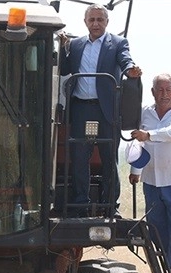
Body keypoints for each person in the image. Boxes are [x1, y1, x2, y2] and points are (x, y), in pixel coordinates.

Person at [59, 3, 142, 217]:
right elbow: (65, 68)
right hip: (81, 109)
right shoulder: (75, 45)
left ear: (107, 22)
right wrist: (61, 47)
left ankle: (109, 207)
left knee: (108, 158)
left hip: (106, 110)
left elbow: (125, 60)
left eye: (100, 20)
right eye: (92, 20)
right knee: (79, 157)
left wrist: (131, 70)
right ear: (85, 22)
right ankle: (80, 205)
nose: (96, 23)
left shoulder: (118, 43)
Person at [129, 73, 171, 273]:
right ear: (153, 92)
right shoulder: (144, 113)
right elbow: (139, 145)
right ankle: (164, 266)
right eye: (160, 90)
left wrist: (148, 135)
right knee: (156, 227)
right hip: (152, 179)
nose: (164, 94)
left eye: (168, 90)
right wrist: (135, 170)